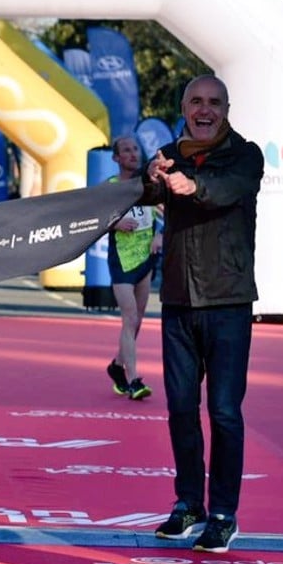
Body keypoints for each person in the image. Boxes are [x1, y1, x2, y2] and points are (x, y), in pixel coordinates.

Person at [142, 75, 263, 554]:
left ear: (226, 109)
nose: (205, 109)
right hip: (177, 302)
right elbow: (146, 195)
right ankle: (188, 503)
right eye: (196, 101)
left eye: (214, 102)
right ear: (183, 108)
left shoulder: (246, 156)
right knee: (180, 409)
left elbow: (226, 189)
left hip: (228, 302)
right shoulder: (168, 155)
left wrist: (193, 184)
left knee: (225, 412)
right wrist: (151, 178)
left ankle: (223, 514)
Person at [106, 135, 162, 401]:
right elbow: (93, 219)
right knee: (129, 319)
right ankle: (134, 380)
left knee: (136, 321)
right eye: (126, 150)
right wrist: (115, 223)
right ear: (116, 158)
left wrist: (160, 235)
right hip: (122, 262)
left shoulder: (147, 184)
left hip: (145, 260)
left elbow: (169, 213)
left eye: (136, 149)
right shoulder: (110, 187)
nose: (132, 154)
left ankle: (117, 366)